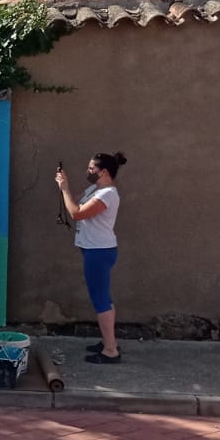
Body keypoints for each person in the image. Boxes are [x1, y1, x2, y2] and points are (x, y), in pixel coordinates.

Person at [56, 151, 128, 363]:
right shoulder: (95, 189)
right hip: (94, 249)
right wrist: (65, 187)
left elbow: (77, 213)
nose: (88, 172)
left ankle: (110, 350)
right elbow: (73, 203)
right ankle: (109, 341)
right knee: (103, 297)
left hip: (100, 251)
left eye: (91, 169)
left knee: (101, 300)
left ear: (103, 171)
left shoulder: (107, 195)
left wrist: (65, 188)